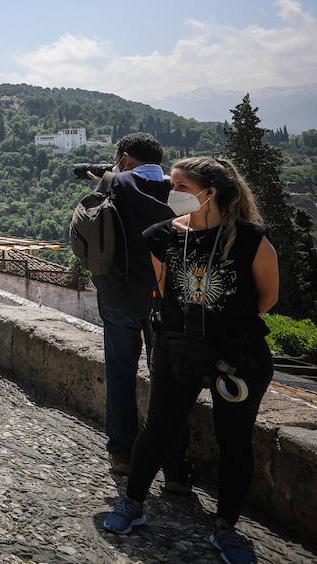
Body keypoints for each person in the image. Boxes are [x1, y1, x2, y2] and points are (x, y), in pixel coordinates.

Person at [104, 157, 279, 564]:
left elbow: (266, 299)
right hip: (178, 347)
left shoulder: (252, 240)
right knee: (158, 428)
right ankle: (133, 503)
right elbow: (167, 293)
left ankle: (226, 526)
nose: (171, 191)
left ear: (210, 192)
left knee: (234, 440)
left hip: (238, 354)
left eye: (179, 185)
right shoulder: (162, 236)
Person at [87, 134, 189, 485]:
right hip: (166, 300)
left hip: (119, 295)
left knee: (120, 372)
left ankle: (122, 453)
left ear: (125, 157)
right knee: (170, 381)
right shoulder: (180, 192)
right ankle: (176, 466)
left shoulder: (114, 183)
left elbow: (92, 224)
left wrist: (105, 178)